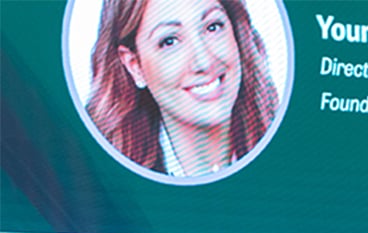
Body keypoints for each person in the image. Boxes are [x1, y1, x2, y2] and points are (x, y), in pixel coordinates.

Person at [86, 0, 279, 177]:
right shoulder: (105, 182)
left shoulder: (289, 143)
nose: (203, 61)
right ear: (134, 66)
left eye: (213, 27)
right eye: (169, 41)